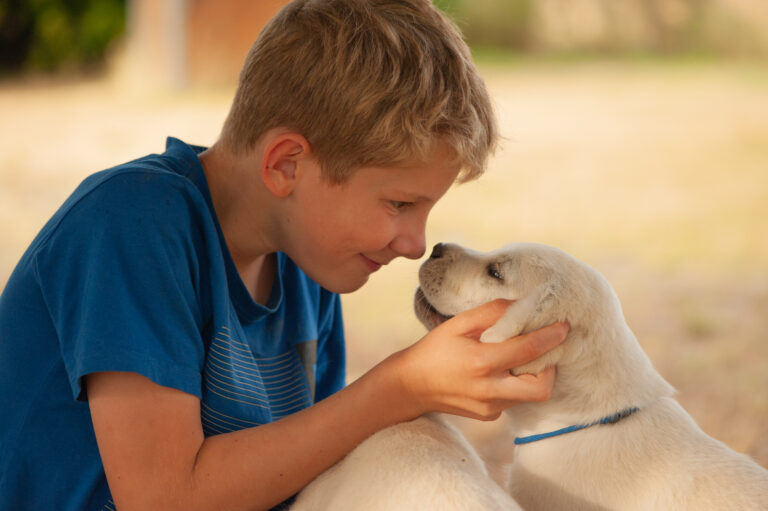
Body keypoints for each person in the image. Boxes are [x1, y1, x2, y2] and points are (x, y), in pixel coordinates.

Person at [0, 1, 568, 509]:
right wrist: (399, 389)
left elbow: (304, 475)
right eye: (398, 203)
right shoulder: (130, 224)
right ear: (286, 165)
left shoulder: (310, 263)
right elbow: (162, 498)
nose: (416, 243)